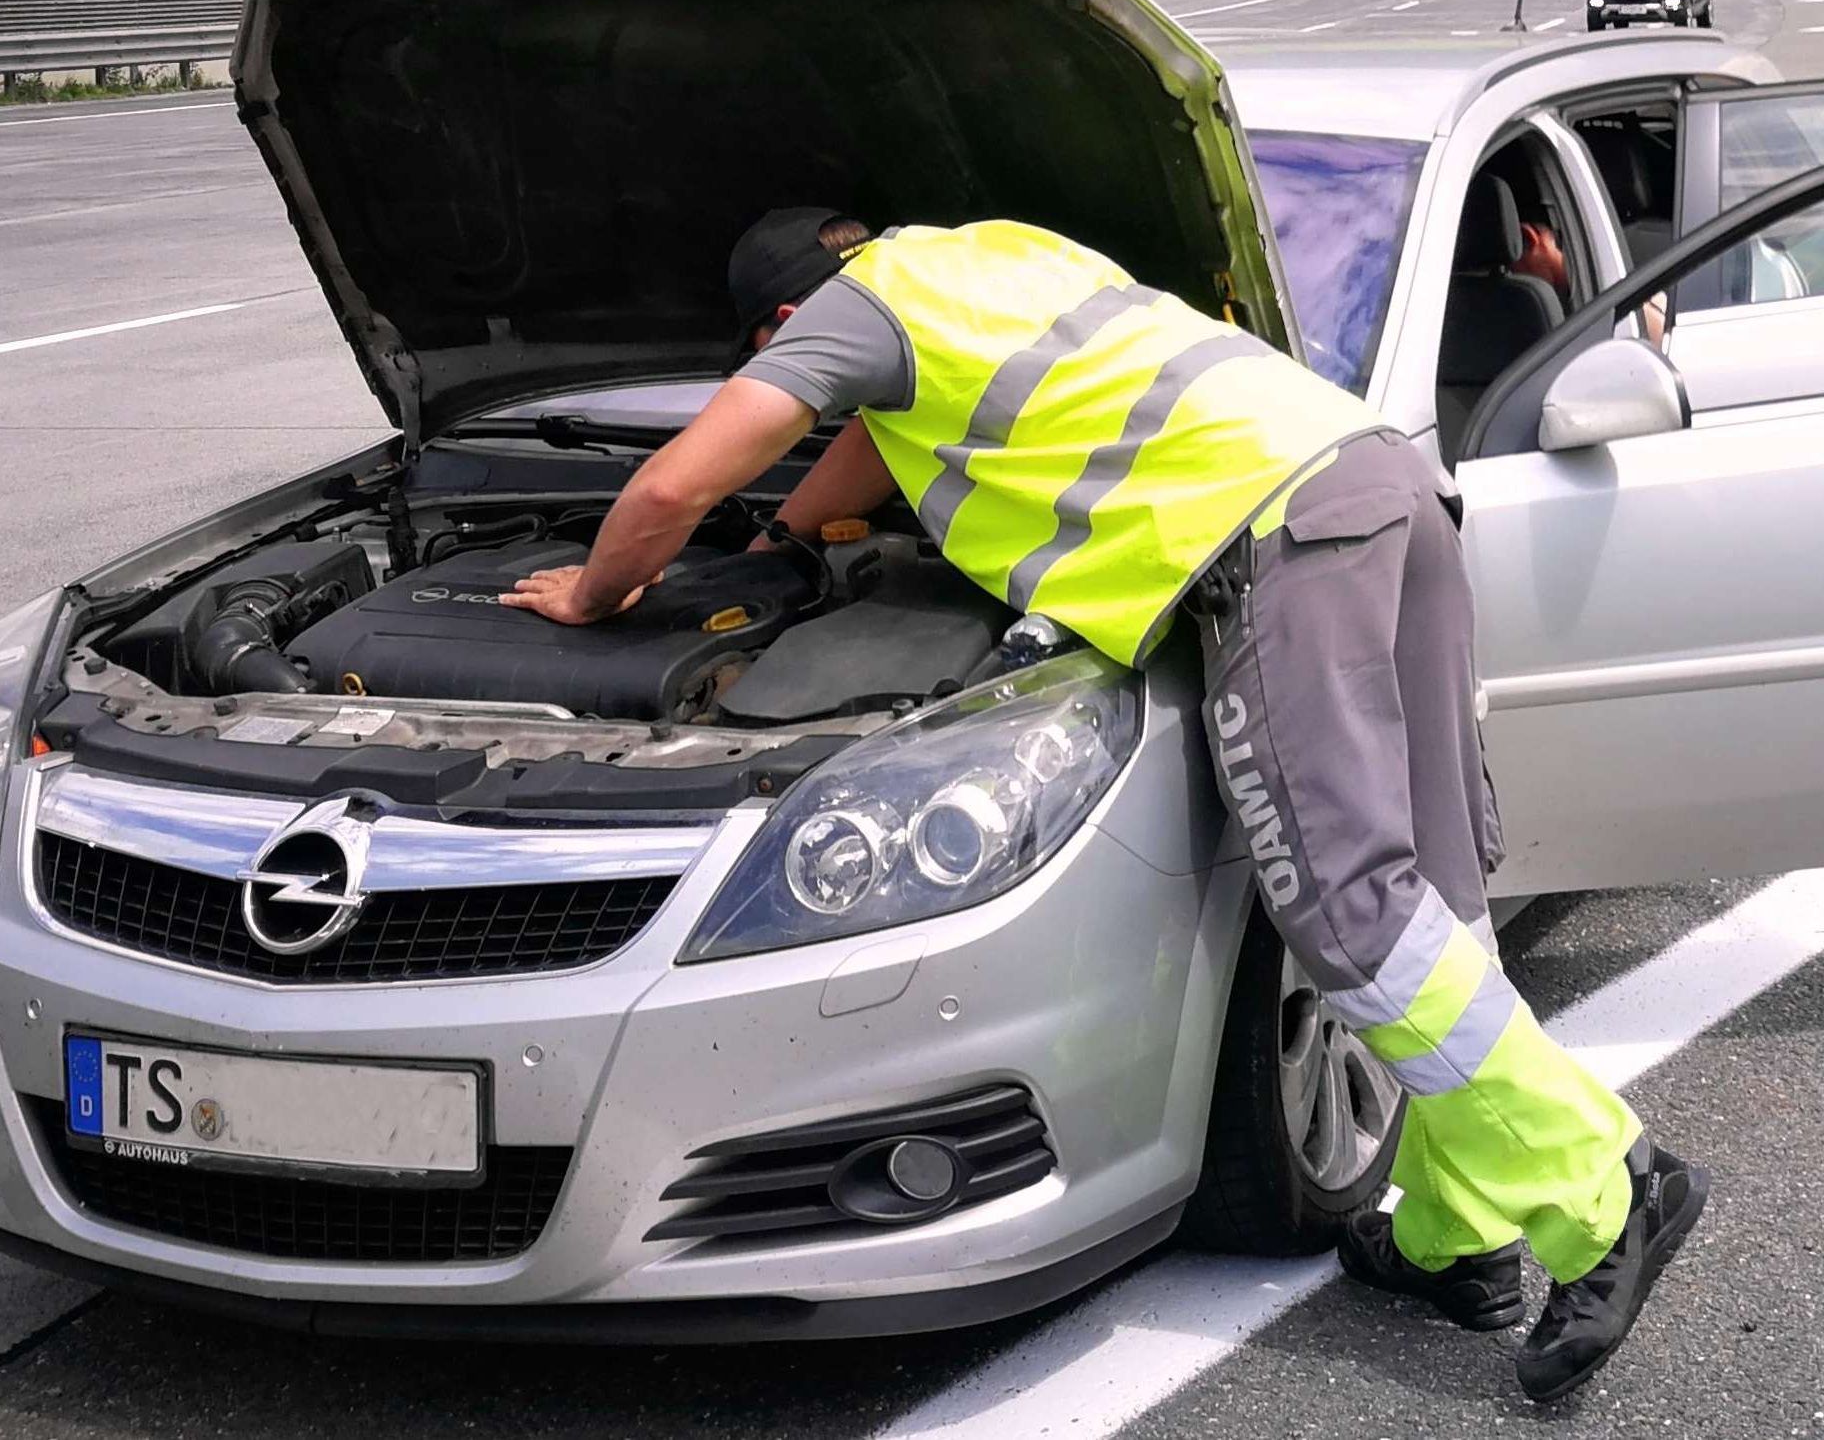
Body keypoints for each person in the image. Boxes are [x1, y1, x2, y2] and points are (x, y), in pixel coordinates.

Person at [498, 207, 1706, 1400]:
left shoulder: (849, 317)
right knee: (1434, 891)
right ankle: (1456, 1232)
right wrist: (783, 544)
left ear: (781, 321)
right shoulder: (993, 256)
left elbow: (670, 490)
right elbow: (852, 461)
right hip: (1385, 481)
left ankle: (1609, 1186)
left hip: (1277, 540)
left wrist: (594, 594)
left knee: (1347, 912)